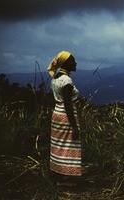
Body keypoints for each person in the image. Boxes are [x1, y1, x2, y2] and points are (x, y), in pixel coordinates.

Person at [47, 51, 82, 187]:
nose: (75, 63)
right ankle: (65, 178)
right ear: (66, 63)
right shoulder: (67, 81)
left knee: (58, 145)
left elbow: (56, 100)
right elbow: (67, 104)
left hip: (57, 114)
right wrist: (74, 126)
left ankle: (57, 175)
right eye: (73, 61)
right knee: (68, 145)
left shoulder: (56, 79)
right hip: (66, 116)